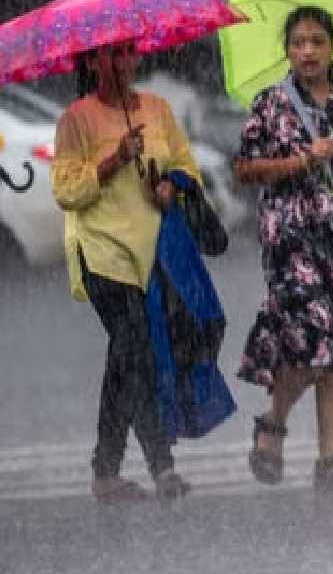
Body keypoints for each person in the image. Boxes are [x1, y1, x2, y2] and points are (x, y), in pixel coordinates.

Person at [234, 5, 333, 491]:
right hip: (291, 236)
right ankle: (273, 422)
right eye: (299, 42)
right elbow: (245, 168)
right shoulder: (272, 102)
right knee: (306, 339)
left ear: (332, 47)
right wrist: (301, 160)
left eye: (317, 41)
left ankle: (331, 459)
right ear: (287, 50)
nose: (308, 51)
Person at [51, 39, 198, 503]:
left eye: (128, 51)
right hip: (101, 254)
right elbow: (67, 192)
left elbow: (185, 168)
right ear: (92, 61)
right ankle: (162, 466)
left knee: (125, 359)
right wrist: (114, 159)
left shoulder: (157, 109)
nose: (121, 62)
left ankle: (105, 471)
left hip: (150, 254)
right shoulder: (77, 119)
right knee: (137, 352)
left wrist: (171, 188)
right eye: (109, 54)